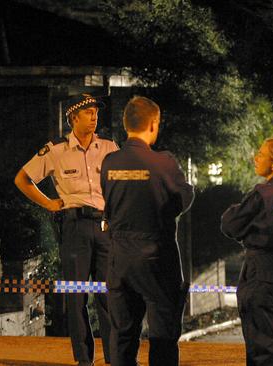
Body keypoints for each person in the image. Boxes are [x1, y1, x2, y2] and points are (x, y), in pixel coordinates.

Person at [14, 93, 117, 366]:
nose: (95, 117)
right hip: (75, 228)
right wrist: (48, 203)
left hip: (105, 226)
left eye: (96, 112)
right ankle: (84, 361)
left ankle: (116, 357)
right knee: (77, 297)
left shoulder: (109, 148)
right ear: (73, 117)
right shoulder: (56, 150)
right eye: (88, 113)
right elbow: (22, 179)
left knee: (110, 295)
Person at [100, 96, 194, 366]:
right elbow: (180, 201)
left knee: (122, 335)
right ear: (153, 124)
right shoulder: (163, 163)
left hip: (119, 257)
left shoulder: (109, 163)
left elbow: (110, 202)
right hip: (156, 255)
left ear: (125, 123)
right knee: (163, 334)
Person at [221, 138, 273, 366]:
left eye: (261, 154)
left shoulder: (263, 193)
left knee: (263, 349)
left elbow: (230, 225)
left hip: (261, 274)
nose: (255, 158)